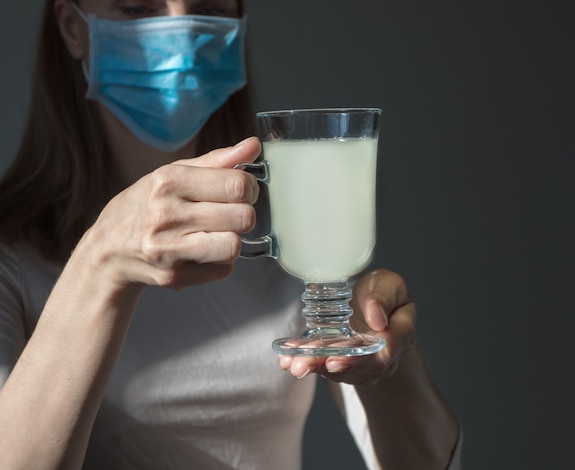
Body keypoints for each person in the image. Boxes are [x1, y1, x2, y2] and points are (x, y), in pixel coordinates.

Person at [0, 0, 461, 468]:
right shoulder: (10, 258)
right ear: (72, 27)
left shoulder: (286, 239)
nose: (181, 35)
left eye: (208, 9)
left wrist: (388, 354)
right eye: (139, 7)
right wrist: (101, 263)